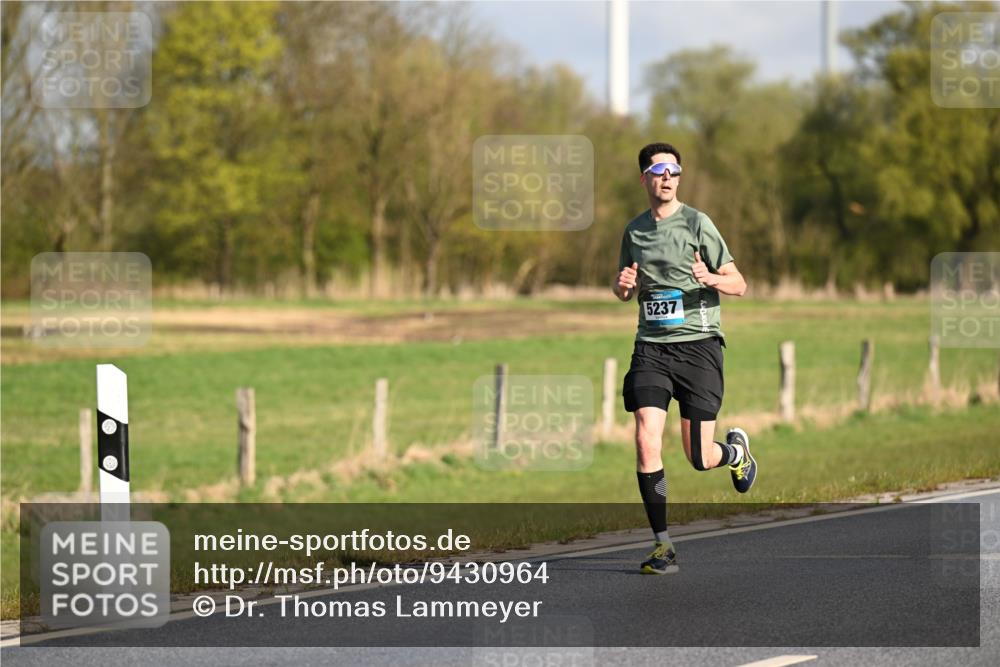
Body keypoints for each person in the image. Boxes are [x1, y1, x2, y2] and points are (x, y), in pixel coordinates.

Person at [612, 142, 757, 575]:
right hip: (651, 349)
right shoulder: (634, 231)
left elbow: (740, 284)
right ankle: (663, 546)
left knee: (698, 457)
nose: (668, 178)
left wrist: (709, 277)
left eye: (674, 170)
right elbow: (626, 290)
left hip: (699, 346)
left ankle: (734, 454)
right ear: (645, 179)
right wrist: (622, 287)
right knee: (645, 438)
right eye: (659, 171)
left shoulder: (698, 223)